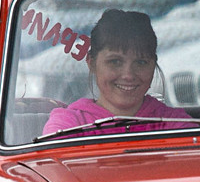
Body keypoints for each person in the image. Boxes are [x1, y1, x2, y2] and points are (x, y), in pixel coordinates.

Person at [42, 9, 191, 135]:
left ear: (153, 65)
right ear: (91, 63)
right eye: (115, 62)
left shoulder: (175, 124)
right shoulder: (68, 124)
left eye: (141, 62)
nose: (128, 75)